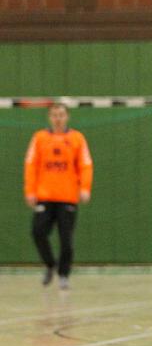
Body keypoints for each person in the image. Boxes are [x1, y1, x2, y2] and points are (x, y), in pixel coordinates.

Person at [24, 103, 93, 290]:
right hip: (44, 196)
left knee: (66, 240)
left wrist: (85, 187)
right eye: (54, 115)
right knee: (38, 232)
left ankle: (63, 275)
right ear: (49, 117)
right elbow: (30, 165)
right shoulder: (39, 138)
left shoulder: (77, 138)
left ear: (67, 116)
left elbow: (86, 164)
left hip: (68, 197)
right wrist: (30, 191)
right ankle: (49, 264)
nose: (58, 118)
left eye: (61, 114)